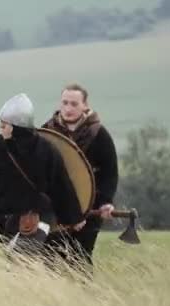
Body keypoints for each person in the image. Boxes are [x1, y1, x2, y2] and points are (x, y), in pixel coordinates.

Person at [0, 93, 83, 256]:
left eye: (4, 125)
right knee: (11, 265)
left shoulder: (45, 150)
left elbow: (61, 185)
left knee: (19, 263)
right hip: (6, 221)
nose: (1, 128)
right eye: (0, 123)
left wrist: (73, 217)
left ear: (16, 127)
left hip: (37, 218)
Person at [42, 83, 119, 270]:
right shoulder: (47, 131)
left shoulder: (99, 134)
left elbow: (110, 173)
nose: (68, 108)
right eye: (65, 103)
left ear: (85, 105)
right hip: (55, 208)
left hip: (90, 206)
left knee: (80, 258)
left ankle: (84, 296)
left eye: (74, 104)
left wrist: (105, 202)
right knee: (49, 258)